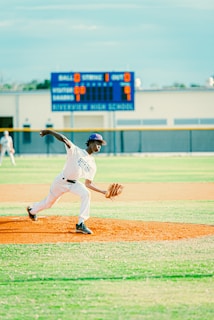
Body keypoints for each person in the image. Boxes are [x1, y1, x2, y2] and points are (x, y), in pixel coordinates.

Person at [27, 129, 108, 234]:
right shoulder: (76, 150)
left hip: (74, 184)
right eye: (98, 143)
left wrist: (103, 191)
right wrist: (49, 132)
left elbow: (88, 183)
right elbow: (64, 139)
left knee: (86, 193)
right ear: (91, 142)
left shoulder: (93, 164)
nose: (100, 146)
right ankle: (32, 211)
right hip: (60, 182)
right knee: (48, 204)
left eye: (101, 144)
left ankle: (81, 223)